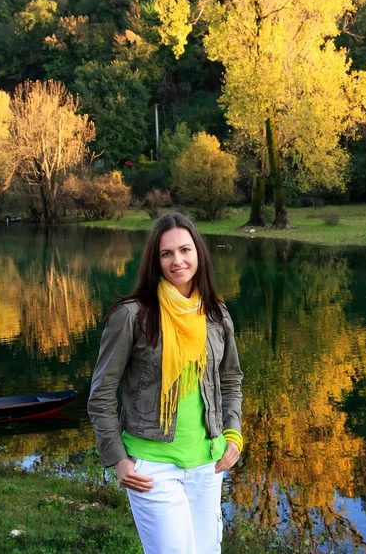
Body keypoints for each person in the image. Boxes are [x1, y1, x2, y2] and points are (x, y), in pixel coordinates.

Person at [88, 213, 243, 554]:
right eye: (167, 253)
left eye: (185, 250)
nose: (178, 261)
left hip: (208, 463)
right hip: (151, 468)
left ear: (198, 253)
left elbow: (230, 378)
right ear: (155, 261)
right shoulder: (132, 316)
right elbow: (100, 395)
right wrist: (117, 458)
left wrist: (233, 434)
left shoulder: (216, 314)